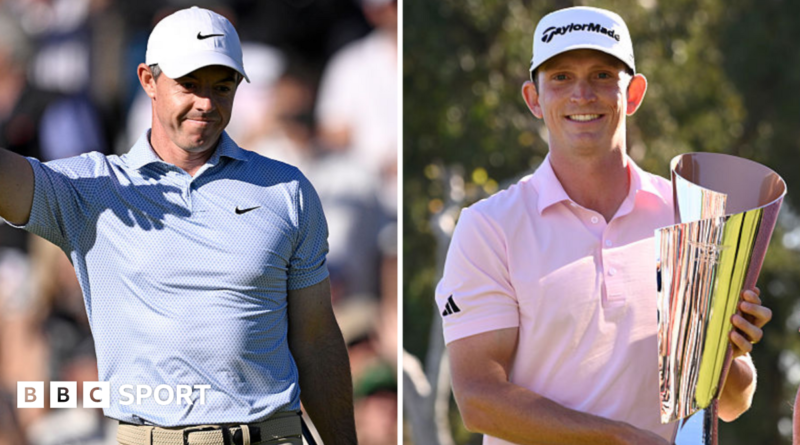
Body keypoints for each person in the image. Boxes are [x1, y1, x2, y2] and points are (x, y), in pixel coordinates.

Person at [0, 6, 356, 445]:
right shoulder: (93, 188)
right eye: (189, 84)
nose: (206, 103)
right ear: (148, 80)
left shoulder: (287, 189)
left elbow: (317, 338)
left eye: (222, 87)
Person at [435, 6, 772, 445]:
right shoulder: (489, 228)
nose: (582, 94)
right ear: (533, 99)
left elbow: (731, 402)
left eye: (601, 75)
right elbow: (479, 399)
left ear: (633, 93)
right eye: (561, 77)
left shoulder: (691, 215)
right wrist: (619, 439)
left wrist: (728, 346)